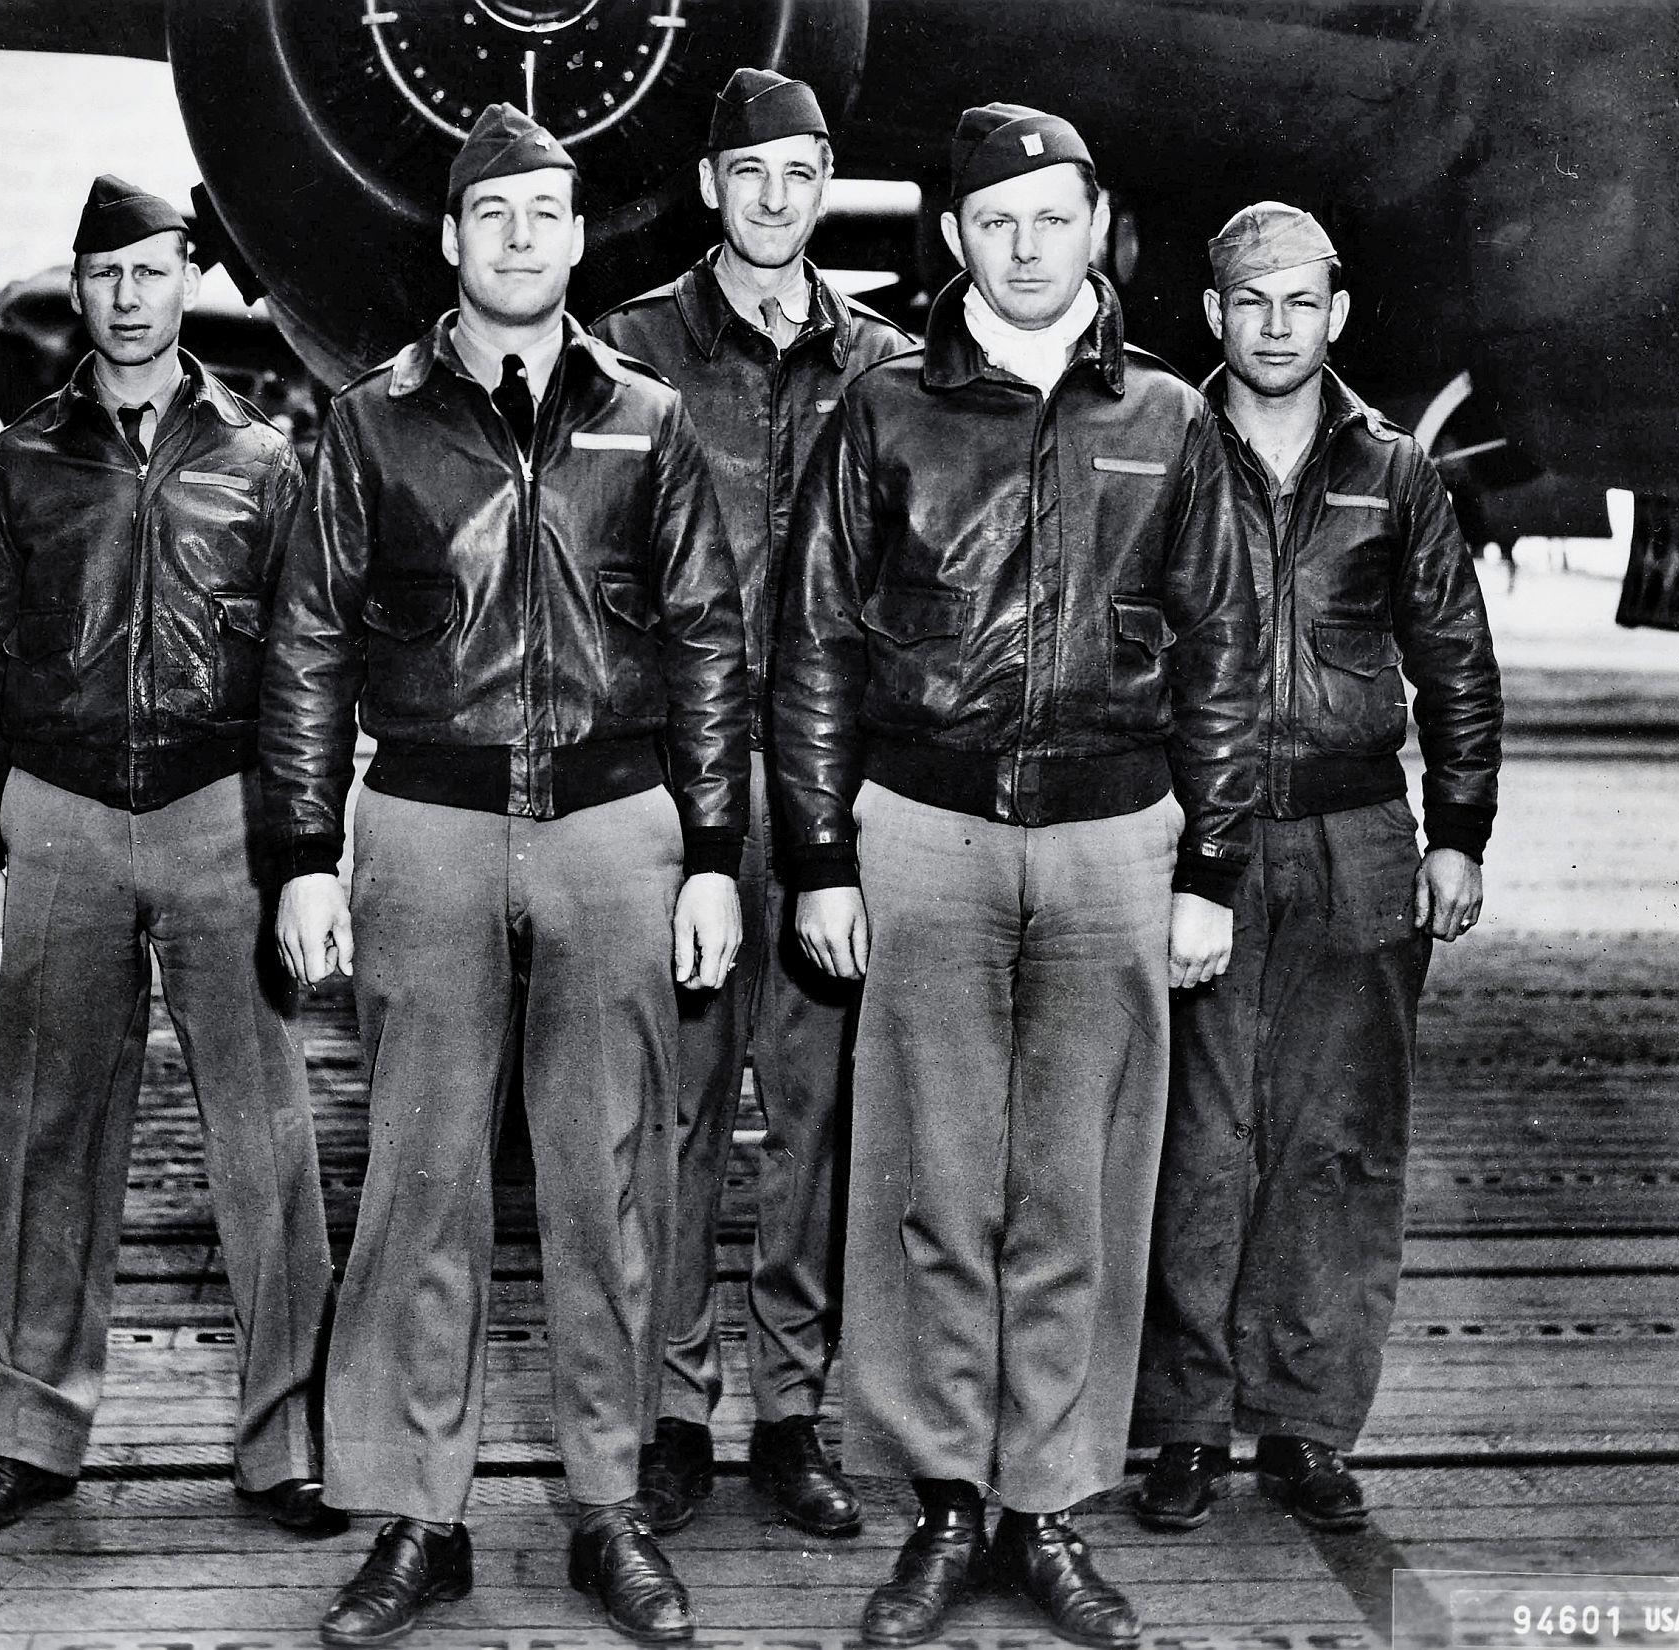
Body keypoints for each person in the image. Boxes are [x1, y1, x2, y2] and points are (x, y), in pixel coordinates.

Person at [260, 105, 748, 1648]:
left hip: (614, 824)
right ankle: (420, 1513)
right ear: (453, 238)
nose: (522, 239)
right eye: (495, 215)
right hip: (427, 820)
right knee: (421, 1177)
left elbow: (709, 641)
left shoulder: (648, 419)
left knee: (609, 1177)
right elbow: (306, 644)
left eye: (547, 213)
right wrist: (302, 852)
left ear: (581, 237)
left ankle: (610, 1506)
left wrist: (714, 852)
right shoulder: (372, 422)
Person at [773, 104, 1259, 1649]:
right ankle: (943, 1501)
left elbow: (1227, 654)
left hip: (1117, 841)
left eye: (1054, 217)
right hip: (926, 831)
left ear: (1099, 226)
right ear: (954, 238)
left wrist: (1212, 864)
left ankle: (1045, 1502)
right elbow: (815, 641)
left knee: (1079, 1187)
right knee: (929, 1182)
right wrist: (820, 854)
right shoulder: (884, 408)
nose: (1027, 246)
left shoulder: (1171, 415)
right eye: (996, 220)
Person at [0, 175, 339, 1542]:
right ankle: (26, 1434)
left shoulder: (264, 461)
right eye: (103, 273)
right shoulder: (20, 463)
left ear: (189, 282)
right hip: (56, 813)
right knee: (43, 1128)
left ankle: (291, 1442)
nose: (126, 295)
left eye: (151, 269)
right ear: (77, 287)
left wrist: (303, 848)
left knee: (266, 1134)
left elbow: (304, 671)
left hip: (221, 812)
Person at [1131, 203, 1503, 1534]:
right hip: (1200, 840)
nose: (1276, 325)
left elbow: (1454, 660)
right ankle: (1182, 1426)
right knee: (1190, 1136)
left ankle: (1304, 1422)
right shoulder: (1160, 448)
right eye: (1251, 300)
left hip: (1356, 839)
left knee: (1338, 1142)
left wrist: (1456, 832)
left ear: (1337, 313)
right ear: (1213, 314)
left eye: (1300, 301)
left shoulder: (1392, 471)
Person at [593, 67, 913, 1541]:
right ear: (709, 187)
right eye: (750, 174)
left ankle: (791, 1411)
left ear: (825, 185)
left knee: (816, 1114)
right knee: (671, 1107)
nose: (776, 200)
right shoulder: (631, 353)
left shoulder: (889, 364)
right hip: (683, 792)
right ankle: (671, 1410)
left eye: (801, 175)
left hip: (834, 792)